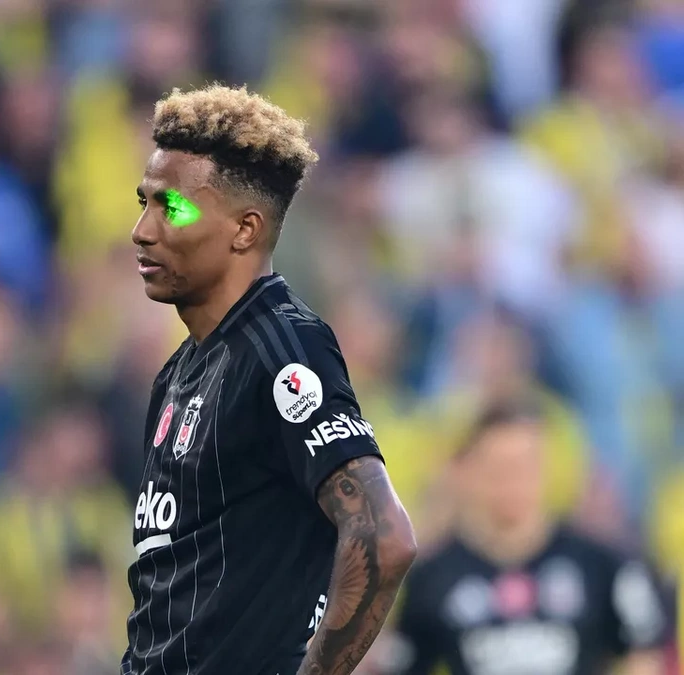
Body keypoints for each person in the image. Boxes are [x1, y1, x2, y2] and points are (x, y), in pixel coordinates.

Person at [123, 84, 417, 675]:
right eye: (144, 202)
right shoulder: (179, 373)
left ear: (245, 230)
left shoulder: (284, 349)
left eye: (171, 208)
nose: (142, 229)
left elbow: (383, 536)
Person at [382, 403, 668, 675]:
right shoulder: (433, 578)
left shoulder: (602, 565)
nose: (514, 481)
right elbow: (402, 664)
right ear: (470, 473)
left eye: (525, 464)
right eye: (500, 468)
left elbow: (645, 653)